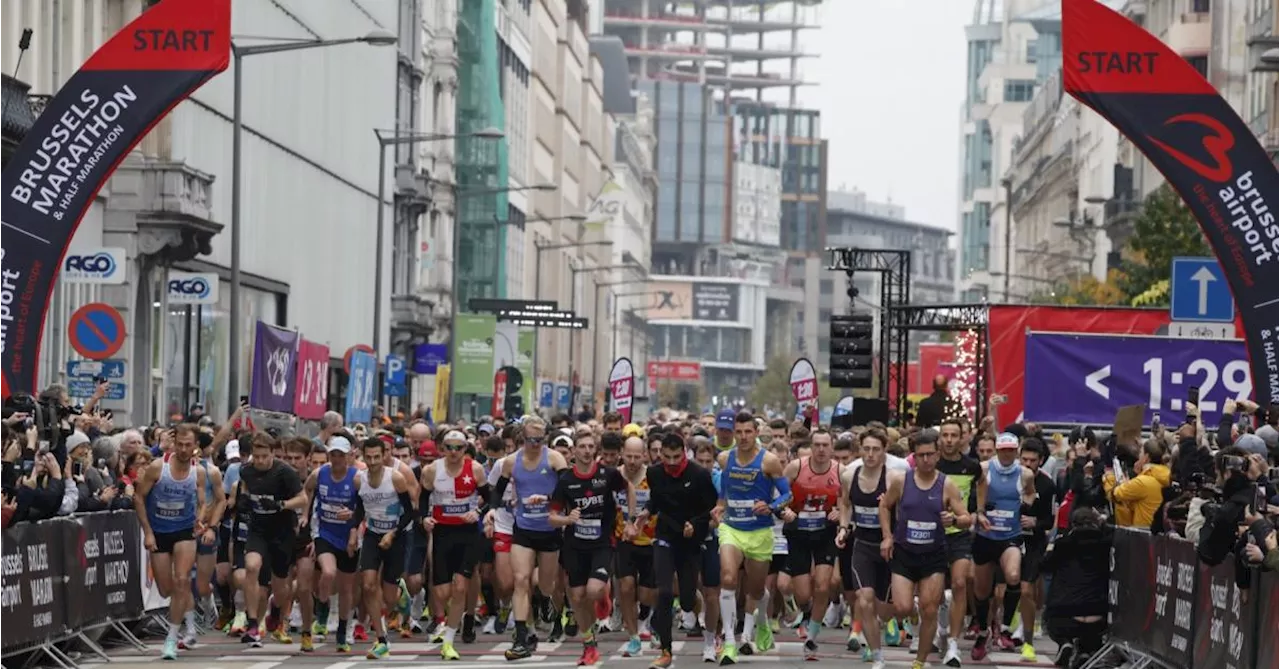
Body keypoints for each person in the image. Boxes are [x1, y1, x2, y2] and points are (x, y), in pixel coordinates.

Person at [879, 430, 972, 669]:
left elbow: (966, 518)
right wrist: (887, 537)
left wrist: (953, 519)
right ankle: (913, 618)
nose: (926, 460)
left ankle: (919, 662)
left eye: (930, 454)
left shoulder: (946, 485)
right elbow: (884, 506)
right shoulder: (902, 481)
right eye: (921, 455)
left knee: (930, 609)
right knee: (902, 607)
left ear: (938, 455)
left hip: (933, 555)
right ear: (914, 456)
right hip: (904, 552)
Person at [487, 417, 570, 660]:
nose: (535, 444)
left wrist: (545, 498)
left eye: (540, 440)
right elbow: (497, 492)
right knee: (520, 580)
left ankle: (545, 600)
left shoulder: (554, 458)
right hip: (522, 529)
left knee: (545, 585)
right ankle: (522, 639)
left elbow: (567, 491)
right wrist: (492, 510)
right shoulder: (511, 462)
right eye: (531, 440)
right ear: (522, 438)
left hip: (549, 530)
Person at [715, 411, 794, 663]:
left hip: (759, 531)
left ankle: (761, 624)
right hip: (732, 528)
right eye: (739, 432)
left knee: (756, 590)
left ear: (756, 432)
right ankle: (730, 643)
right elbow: (724, 491)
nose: (743, 436)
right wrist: (719, 507)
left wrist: (770, 507)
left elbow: (787, 495)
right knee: (728, 577)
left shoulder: (769, 461)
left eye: (748, 431)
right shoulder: (725, 459)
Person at [550, 431, 635, 666]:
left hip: (601, 543)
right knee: (576, 596)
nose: (587, 451)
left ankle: (603, 597)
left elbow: (629, 490)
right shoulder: (566, 480)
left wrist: (630, 520)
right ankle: (589, 644)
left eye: (590, 447)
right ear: (574, 451)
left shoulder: (607, 475)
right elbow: (552, 516)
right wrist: (567, 520)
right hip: (574, 546)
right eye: (582, 447)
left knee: (593, 590)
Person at [638, 432, 719, 669]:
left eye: (676, 457)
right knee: (663, 593)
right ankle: (666, 651)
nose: (672, 463)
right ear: (660, 454)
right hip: (665, 535)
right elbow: (656, 500)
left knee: (685, 601)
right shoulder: (654, 473)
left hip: (691, 539)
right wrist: (646, 511)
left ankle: (695, 605)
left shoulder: (699, 474)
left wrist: (695, 523)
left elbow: (712, 508)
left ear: (684, 453)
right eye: (667, 457)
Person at [134, 424, 210, 659]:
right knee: (166, 589)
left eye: (189, 445)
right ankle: (186, 620)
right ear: (174, 444)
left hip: (184, 531)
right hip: (159, 532)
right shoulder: (159, 467)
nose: (184, 449)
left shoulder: (199, 472)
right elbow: (138, 497)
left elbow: (202, 500)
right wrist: (147, 532)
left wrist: (200, 517)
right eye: (180, 444)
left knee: (182, 580)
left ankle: (171, 638)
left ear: (196, 446)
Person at [421, 429, 489, 660]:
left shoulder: (475, 470)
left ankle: (449, 640)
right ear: (442, 449)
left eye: (458, 447)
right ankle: (451, 619)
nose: (453, 452)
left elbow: (489, 495)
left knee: (461, 586)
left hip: (467, 533)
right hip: (442, 532)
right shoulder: (432, 470)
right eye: (448, 447)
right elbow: (422, 498)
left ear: (465, 449)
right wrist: (424, 517)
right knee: (442, 592)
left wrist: (477, 511)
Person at [235, 432, 308, 648]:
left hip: (282, 530)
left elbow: (303, 499)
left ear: (273, 454)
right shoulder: (246, 470)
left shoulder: (285, 472)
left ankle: (276, 611)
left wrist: (281, 505)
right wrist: (244, 501)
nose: (260, 461)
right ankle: (252, 624)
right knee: (251, 566)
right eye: (256, 456)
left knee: (280, 584)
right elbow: (246, 488)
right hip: (258, 528)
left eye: (264, 456)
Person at [970, 433, 1037, 662]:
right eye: (1003, 450)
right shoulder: (985, 469)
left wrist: (1025, 508)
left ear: (1016, 450)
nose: (1007, 454)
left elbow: (1030, 493)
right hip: (986, 536)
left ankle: (1006, 628)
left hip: (1011, 535)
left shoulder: (1025, 473)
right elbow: (976, 494)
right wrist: (980, 513)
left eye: (1011, 450)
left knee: (1013, 575)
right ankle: (982, 632)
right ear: (997, 450)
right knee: (981, 591)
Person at [353, 436, 418, 659]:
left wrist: (393, 533)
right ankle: (381, 639)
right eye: (368, 457)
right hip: (372, 535)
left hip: (397, 535)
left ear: (384, 456)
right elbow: (359, 509)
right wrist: (354, 530)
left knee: (389, 596)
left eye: (376, 457)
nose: (372, 462)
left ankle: (401, 595)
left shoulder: (396, 478)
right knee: (369, 585)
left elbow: (410, 512)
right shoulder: (359, 480)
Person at [782, 427, 841, 660]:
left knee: (823, 586)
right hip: (798, 534)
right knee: (804, 595)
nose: (821, 450)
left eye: (825, 445)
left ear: (832, 447)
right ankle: (806, 612)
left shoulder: (840, 471)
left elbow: (846, 503)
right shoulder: (796, 467)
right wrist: (784, 509)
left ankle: (812, 638)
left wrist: (839, 513)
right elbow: (778, 495)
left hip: (825, 533)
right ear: (811, 446)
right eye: (817, 445)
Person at [837, 429, 893, 668]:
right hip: (862, 545)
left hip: (888, 548)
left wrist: (892, 536)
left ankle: (900, 617)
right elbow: (845, 503)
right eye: (866, 449)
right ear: (860, 449)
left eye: (876, 450)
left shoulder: (894, 478)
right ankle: (876, 655)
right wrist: (843, 527)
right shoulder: (850, 475)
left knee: (888, 609)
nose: (870, 455)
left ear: (884, 451)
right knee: (864, 598)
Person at [304, 435, 361, 652]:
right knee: (328, 572)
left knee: (346, 588)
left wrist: (353, 516)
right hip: (324, 532)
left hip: (348, 537)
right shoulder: (320, 474)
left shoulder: (356, 478)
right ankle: (323, 605)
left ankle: (342, 629)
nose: (336, 459)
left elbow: (365, 507)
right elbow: (307, 490)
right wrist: (305, 514)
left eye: (340, 455)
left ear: (348, 456)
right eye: (333, 454)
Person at [935, 419, 983, 666]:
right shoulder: (930, 464)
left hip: (959, 534)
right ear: (940, 438)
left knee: (960, 583)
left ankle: (953, 644)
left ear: (962, 438)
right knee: (931, 592)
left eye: (955, 435)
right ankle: (936, 629)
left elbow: (982, 483)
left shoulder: (971, 466)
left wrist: (979, 511)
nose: (950, 440)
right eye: (946, 435)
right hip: (932, 535)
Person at [616, 435, 659, 656]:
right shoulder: (614, 476)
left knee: (645, 594)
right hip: (622, 541)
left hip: (649, 542)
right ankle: (633, 637)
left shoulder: (653, 477)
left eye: (637, 456)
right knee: (625, 588)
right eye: (628, 456)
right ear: (622, 454)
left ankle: (651, 618)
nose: (632, 461)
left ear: (644, 455)